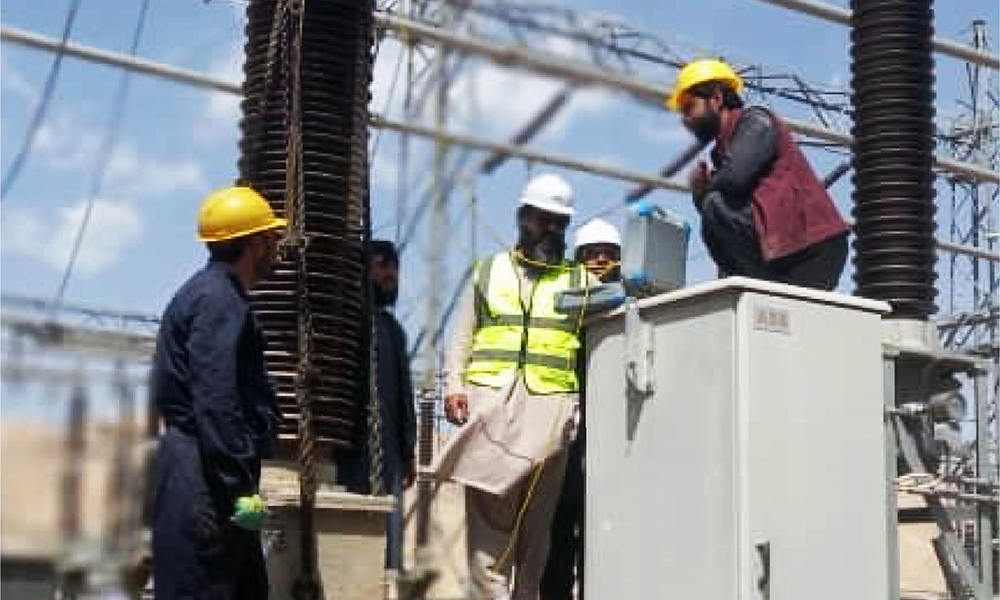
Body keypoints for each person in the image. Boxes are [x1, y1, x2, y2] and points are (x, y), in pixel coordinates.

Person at [433, 173, 594, 600]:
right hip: (493, 414)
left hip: (551, 421)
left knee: (535, 543)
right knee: (488, 542)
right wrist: (455, 386)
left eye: (560, 222)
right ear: (523, 217)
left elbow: (619, 310)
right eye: (544, 219)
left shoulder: (578, 281)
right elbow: (462, 334)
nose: (552, 230)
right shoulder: (488, 272)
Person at [151, 186, 284, 600]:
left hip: (207, 474)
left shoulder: (211, 294)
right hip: (206, 480)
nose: (277, 249)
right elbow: (216, 398)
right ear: (255, 244)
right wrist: (239, 486)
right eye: (272, 239)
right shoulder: (219, 300)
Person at [668, 59, 850, 291]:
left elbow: (735, 178)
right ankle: (751, 287)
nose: (686, 119)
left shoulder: (755, 121)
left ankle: (755, 284)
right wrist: (700, 194)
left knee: (714, 205)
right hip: (788, 254)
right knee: (712, 218)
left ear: (716, 99)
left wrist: (705, 187)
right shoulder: (722, 151)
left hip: (814, 251)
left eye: (689, 107)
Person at [540, 218, 622, 600]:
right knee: (560, 527)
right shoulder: (564, 307)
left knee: (601, 532)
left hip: (613, 438)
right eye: (592, 254)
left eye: (608, 254)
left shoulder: (629, 309)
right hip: (568, 434)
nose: (600, 260)